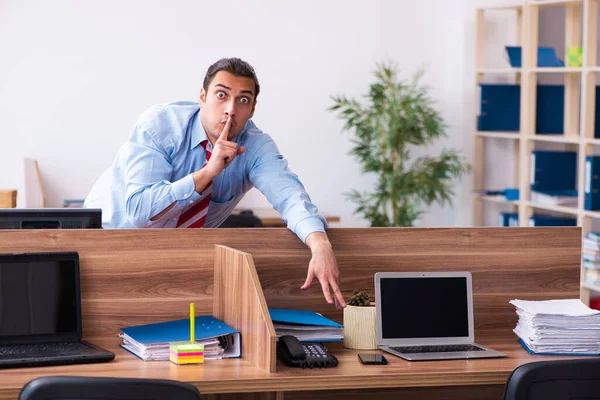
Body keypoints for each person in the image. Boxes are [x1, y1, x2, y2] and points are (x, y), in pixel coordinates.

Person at [85, 57, 346, 308]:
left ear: (252, 109)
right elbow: (140, 211)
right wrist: (206, 174)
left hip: (176, 262)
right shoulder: (160, 125)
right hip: (107, 243)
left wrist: (320, 244)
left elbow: (290, 196)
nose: (231, 109)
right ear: (202, 97)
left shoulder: (255, 146)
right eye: (221, 95)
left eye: (243, 100)